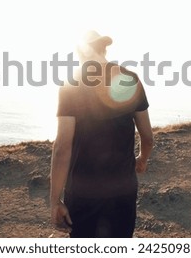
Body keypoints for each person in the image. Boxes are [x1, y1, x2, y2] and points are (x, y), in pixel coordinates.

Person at [50, 30, 154, 238]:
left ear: (79, 53)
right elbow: (147, 135)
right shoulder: (129, 78)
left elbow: (62, 147)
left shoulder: (71, 85)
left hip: (83, 190)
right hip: (122, 188)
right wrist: (142, 160)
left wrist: (54, 201)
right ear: (104, 49)